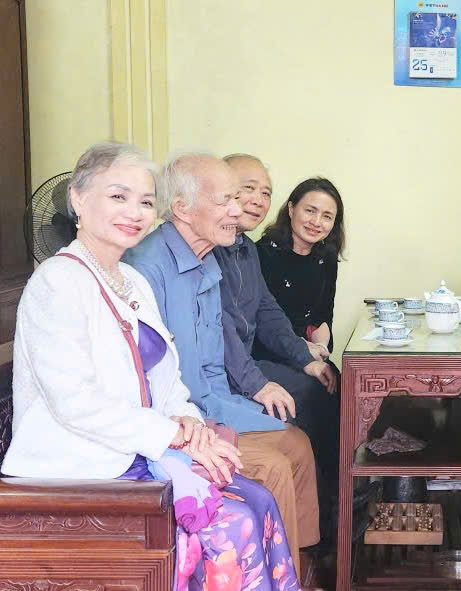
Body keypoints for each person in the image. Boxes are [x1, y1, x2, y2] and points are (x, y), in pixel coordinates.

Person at [2, 142, 300, 590]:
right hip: (82, 465)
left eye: (145, 202)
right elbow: (74, 402)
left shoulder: (131, 280)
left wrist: (191, 425)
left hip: (137, 449)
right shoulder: (57, 283)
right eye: (118, 197)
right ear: (79, 198)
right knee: (230, 523)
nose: (135, 212)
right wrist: (172, 435)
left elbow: (167, 380)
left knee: (257, 498)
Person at [125, 152, 323, 577]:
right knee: (272, 467)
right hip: (178, 419)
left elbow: (218, 353)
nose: (240, 210)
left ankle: (302, 569)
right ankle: (278, 578)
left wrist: (243, 398)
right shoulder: (146, 268)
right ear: (182, 208)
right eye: (227, 200)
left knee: (297, 444)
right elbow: (145, 380)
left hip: (211, 402)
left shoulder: (210, 258)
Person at [214, 153, 339, 550]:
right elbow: (225, 334)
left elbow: (270, 313)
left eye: (264, 191)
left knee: (332, 383)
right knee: (311, 396)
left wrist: (308, 358)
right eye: (247, 189)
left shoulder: (244, 249)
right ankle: (325, 521)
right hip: (236, 372)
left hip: (257, 360)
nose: (256, 199)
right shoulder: (226, 250)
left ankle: (330, 511)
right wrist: (261, 382)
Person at [256, 176, 344, 355]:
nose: (316, 222)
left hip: (310, 353)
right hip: (269, 355)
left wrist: (321, 348)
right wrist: (303, 352)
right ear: (291, 209)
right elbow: (260, 324)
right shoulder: (262, 254)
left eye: (327, 216)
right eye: (310, 211)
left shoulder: (326, 258)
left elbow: (322, 317)